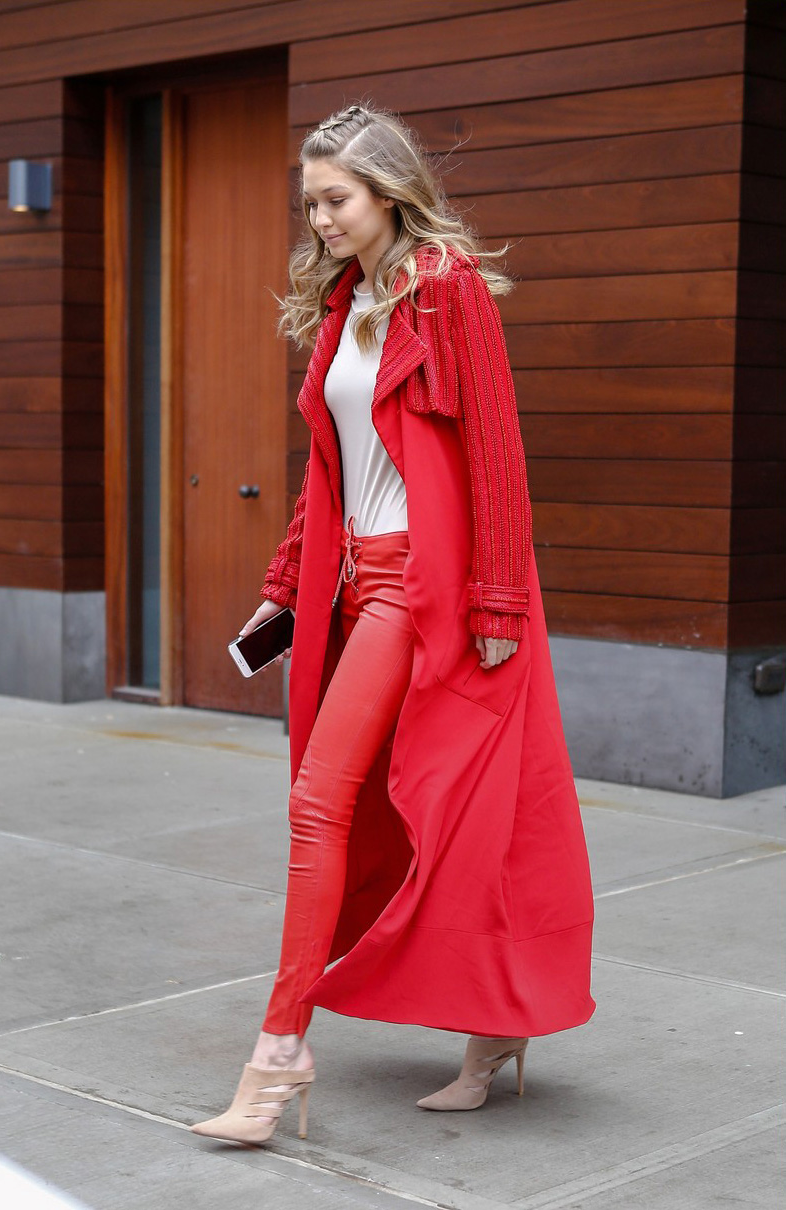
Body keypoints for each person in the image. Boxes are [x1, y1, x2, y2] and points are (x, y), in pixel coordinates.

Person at [192, 102, 595, 1146]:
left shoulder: (444, 290)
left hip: (429, 584)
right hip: (350, 580)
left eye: (335, 199)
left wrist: (497, 600)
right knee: (442, 824)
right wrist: (285, 584)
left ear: (388, 192)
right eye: (311, 202)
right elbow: (331, 468)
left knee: (322, 805)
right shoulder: (345, 302)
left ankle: (278, 1053)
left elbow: (496, 451)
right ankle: (494, 1030)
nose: (319, 218)